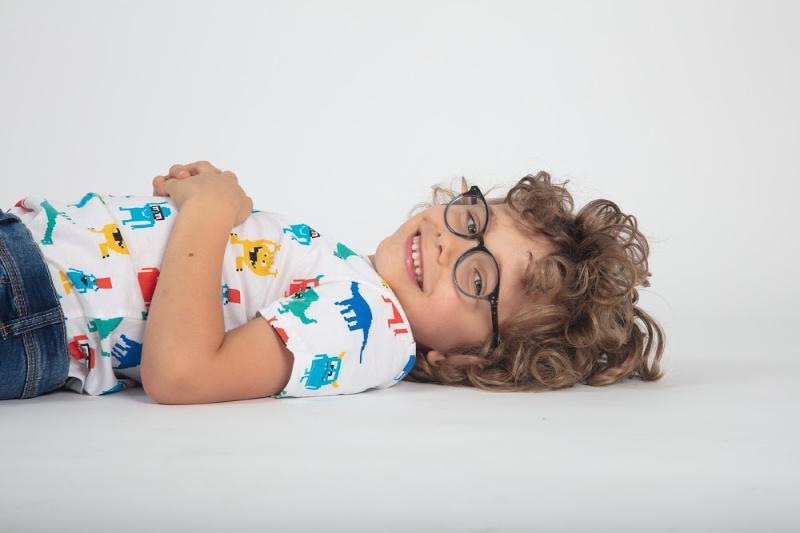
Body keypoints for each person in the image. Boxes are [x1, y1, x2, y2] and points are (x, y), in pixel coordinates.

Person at [0, 161, 664, 403]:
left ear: (465, 356)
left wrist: (206, 212)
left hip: (33, 302)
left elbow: (183, 373)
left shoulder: (372, 325)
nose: (446, 238)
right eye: (472, 218)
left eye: (478, 273)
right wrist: (193, 205)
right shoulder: (359, 277)